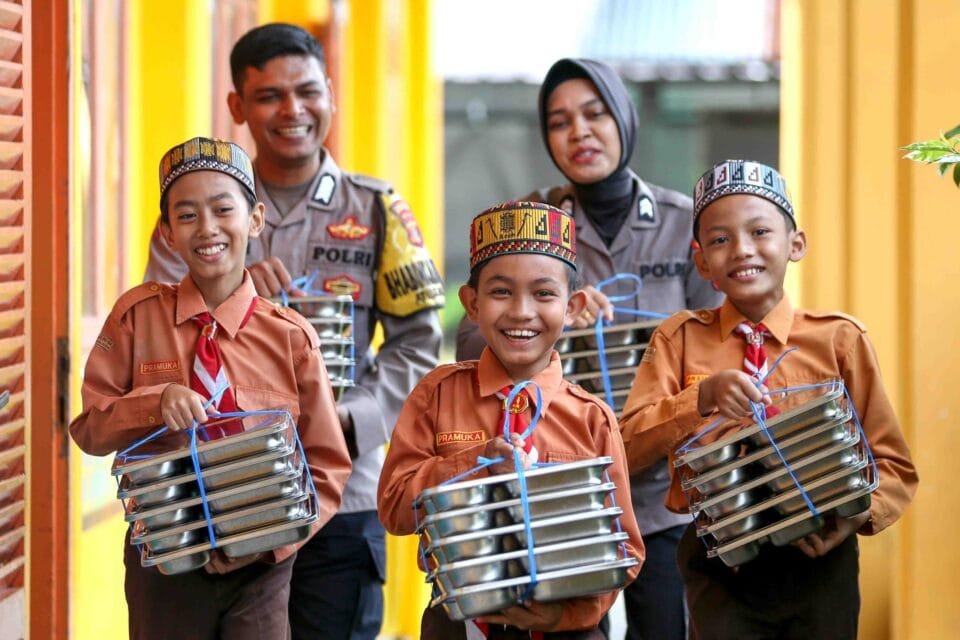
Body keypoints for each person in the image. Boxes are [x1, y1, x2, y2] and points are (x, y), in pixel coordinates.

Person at [143, 23, 445, 640]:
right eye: (269, 96)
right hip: (223, 490)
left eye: (307, 91)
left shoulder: (377, 209)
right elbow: (157, 332)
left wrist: (351, 419)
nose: (292, 111)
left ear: (331, 93)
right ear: (237, 107)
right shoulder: (195, 210)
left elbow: (418, 343)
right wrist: (228, 282)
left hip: (344, 494)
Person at [456, 58, 721, 640]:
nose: (578, 132)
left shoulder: (683, 225)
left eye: (594, 113)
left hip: (665, 494)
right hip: (558, 487)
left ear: (623, 118)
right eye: (559, 121)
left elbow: (718, 345)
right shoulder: (528, 224)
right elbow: (470, 337)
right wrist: (548, 313)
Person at [619, 159, 918, 639]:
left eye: (760, 231)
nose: (741, 250)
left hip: (821, 552)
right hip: (720, 556)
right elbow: (627, 446)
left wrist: (859, 514)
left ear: (795, 244)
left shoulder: (839, 340)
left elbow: (894, 466)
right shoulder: (678, 341)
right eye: (719, 239)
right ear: (701, 262)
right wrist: (699, 400)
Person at [69, 137, 353, 640]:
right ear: (167, 233)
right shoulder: (137, 319)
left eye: (224, 209)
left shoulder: (290, 337)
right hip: (165, 557)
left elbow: (327, 465)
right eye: (186, 215)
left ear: (256, 219)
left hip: (262, 564)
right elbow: (91, 429)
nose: (207, 229)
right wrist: (153, 403)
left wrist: (273, 543)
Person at [380, 201, 646, 639]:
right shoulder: (437, 394)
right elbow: (393, 510)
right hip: (458, 621)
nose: (521, 311)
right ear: (471, 303)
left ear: (574, 305)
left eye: (543, 293)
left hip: (568, 627)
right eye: (501, 292)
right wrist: (473, 464)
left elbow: (627, 550)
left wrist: (568, 616)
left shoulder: (592, 418)